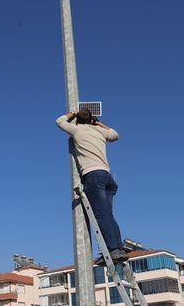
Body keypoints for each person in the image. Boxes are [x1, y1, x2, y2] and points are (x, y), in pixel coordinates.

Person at [55, 108, 130, 263]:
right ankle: (115, 249)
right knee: (107, 215)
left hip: (93, 176)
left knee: (101, 216)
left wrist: (73, 113)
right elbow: (115, 134)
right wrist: (97, 123)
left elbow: (60, 121)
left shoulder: (77, 130)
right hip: (108, 177)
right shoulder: (99, 131)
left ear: (78, 120)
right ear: (91, 120)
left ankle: (114, 250)